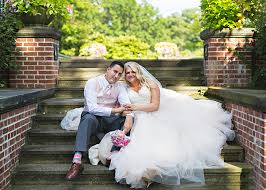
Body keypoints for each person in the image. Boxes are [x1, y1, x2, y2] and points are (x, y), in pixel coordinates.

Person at [108, 61, 235, 188]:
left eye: (133, 72)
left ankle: (154, 168)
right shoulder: (124, 88)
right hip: (138, 118)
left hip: (153, 114)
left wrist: (135, 107)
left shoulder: (150, 84)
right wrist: (127, 113)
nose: (130, 74)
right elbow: (124, 106)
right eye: (128, 72)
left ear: (138, 73)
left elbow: (155, 106)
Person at [65, 61, 133, 181]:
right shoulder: (92, 82)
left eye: (119, 74)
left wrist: (128, 116)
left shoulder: (120, 87)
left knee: (128, 121)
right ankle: (77, 161)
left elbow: (126, 105)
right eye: (115, 71)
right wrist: (116, 109)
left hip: (110, 121)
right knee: (87, 117)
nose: (116, 76)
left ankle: (113, 155)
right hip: (94, 119)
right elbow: (92, 108)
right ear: (108, 69)